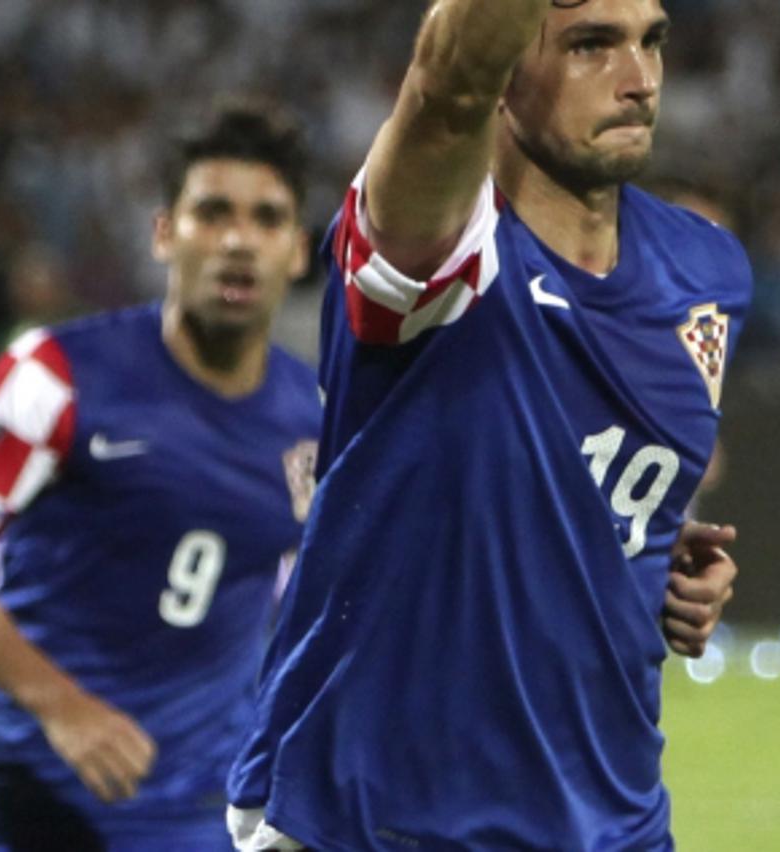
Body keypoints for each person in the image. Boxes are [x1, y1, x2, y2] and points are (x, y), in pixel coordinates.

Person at [227, 2, 750, 849]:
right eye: (590, 45)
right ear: (505, 68)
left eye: (650, 41)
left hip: (611, 819)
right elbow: (448, 91)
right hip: (378, 820)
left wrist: (653, 559)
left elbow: (574, 480)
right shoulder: (435, 250)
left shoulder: (708, 273)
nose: (638, 80)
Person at [0, 101, 321, 852]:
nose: (238, 240)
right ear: (164, 233)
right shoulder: (56, 373)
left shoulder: (312, 418)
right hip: (20, 810)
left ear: (296, 252)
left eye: (267, 219)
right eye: (212, 213)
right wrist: (63, 707)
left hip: (195, 821)